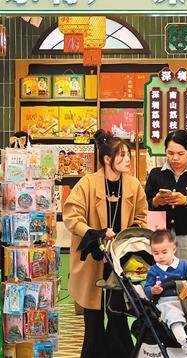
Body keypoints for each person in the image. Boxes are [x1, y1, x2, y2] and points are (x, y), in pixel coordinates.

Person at [63, 130, 148, 358]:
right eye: (122, 155)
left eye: (128, 155)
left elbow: (141, 217)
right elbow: (72, 215)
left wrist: (127, 235)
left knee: (118, 314)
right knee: (93, 318)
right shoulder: (87, 183)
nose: (128, 160)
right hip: (93, 257)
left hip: (121, 259)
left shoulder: (133, 185)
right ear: (107, 159)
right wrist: (95, 233)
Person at [145, 130, 187, 273]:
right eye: (170, 153)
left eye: (180, 154)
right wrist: (155, 202)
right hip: (159, 239)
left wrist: (186, 201)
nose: (175, 158)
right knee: (161, 281)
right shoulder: (156, 174)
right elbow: (143, 207)